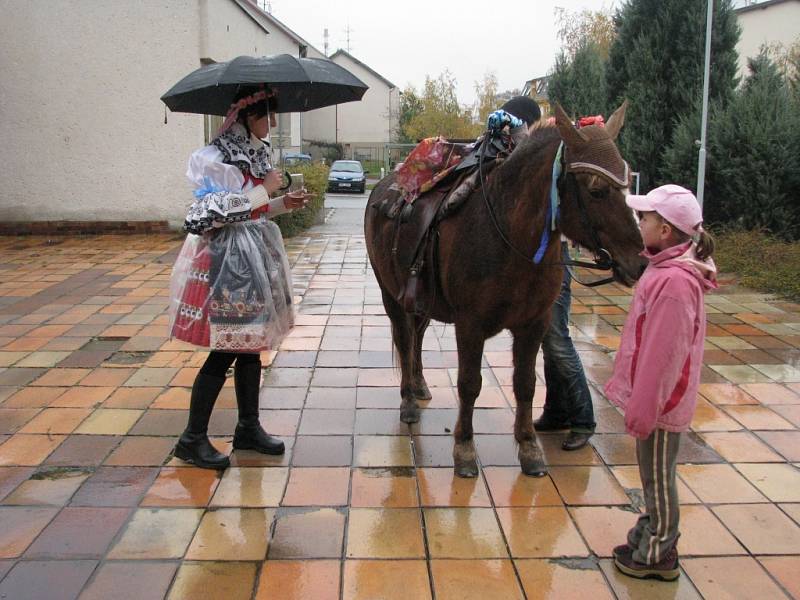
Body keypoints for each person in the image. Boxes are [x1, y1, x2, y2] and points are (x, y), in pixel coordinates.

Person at [168, 88, 312, 470]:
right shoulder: (215, 158)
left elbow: (251, 211)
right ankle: (191, 438)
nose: (274, 123)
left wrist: (281, 203)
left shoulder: (253, 153)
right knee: (228, 347)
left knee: (252, 343)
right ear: (249, 115)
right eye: (268, 115)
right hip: (226, 262)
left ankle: (248, 426)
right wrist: (265, 190)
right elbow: (207, 215)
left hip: (253, 256)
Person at [604, 184, 716, 581]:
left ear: (665, 230)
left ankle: (659, 552)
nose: (639, 222)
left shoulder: (674, 284)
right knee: (652, 476)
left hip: (661, 402)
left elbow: (662, 358)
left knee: (659, 478)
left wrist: (643, 409)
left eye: (645, 218)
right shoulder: (664, 268)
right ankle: (650, 532)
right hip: (654, 398)